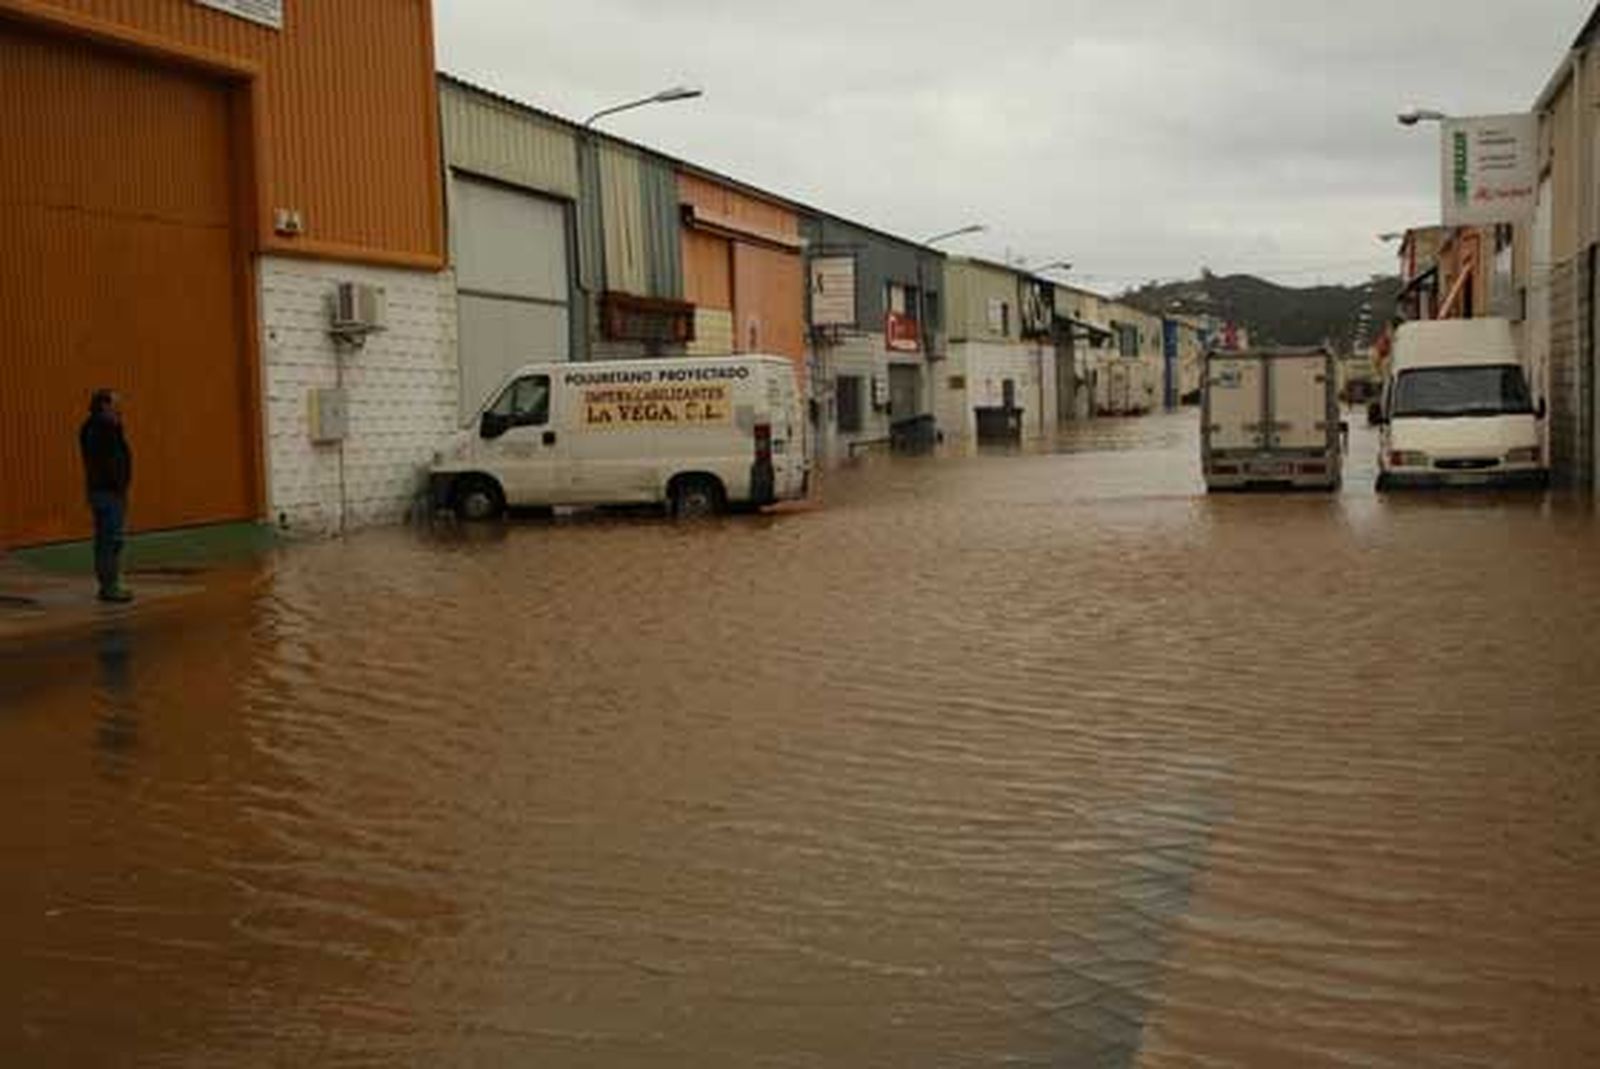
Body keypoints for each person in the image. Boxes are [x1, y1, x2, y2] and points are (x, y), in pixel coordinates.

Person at [79, 389, 133, 603]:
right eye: (115, 403)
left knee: (109, 539)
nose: (119, 407)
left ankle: (110, 584)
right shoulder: (100, 429)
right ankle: (110, 586)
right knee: (110, 540)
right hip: (107, 492)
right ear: (104, 406)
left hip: (109, 491)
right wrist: (117, 483)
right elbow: (108, 460)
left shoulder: (101, 427)